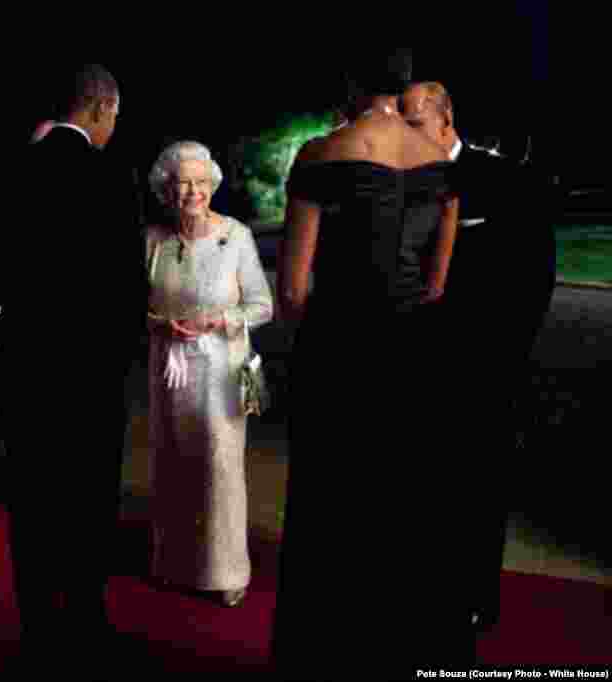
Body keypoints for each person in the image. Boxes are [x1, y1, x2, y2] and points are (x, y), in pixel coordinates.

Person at [270, 49, 478, 679]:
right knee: (407, 512)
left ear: (351, 83)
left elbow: (293, 290)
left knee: (333, 516)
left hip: (340, 358)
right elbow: (439, 281)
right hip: (415, 362)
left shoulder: (320, 155)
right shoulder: (439, 162)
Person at [0, 64, 145, 670]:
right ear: (101, 108)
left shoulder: (14, 170)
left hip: (29, 367)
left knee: (32, 498)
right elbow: (127, 287)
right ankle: (83, 617)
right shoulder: (109, 176)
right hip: (90, 374)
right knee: (87, 495)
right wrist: (119, 361)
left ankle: (36, 624)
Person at [401, 81, 556, 632]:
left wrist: (496, 360)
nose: (403, 135)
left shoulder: (510, 182)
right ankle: (416, 594)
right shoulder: (397, 184)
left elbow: (535, 279)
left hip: (485, 368)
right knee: (419, 489)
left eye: (414, 123)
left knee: (478, 487)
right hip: (412, 369)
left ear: (445, 122)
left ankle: (471, 602)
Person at [144, 141, 274, 608]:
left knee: (218, 469)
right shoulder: (153, 240)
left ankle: (226, 571)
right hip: (169, 371)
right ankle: (174, 563)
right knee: (173, 465)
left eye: (201, 182)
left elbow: (263, 305)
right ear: (167, 188)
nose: (193, 191)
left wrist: (221, 320)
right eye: (183, 183)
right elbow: (134, 308)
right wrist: (161, 324)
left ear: (213, 185)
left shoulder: (235, 236)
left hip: (221, 371)